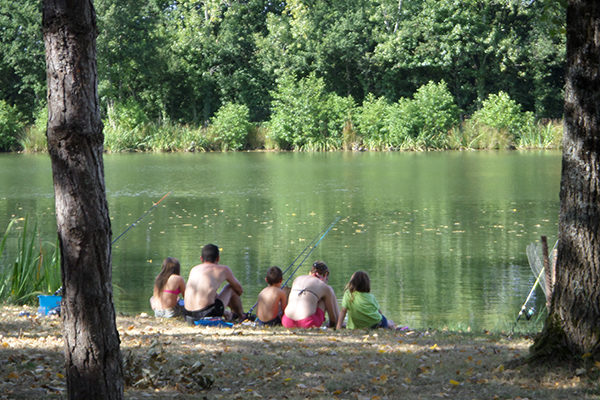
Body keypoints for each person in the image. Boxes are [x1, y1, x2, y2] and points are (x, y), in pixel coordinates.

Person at [183, 244, 245, 324]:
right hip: (205, 314)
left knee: (211, 293)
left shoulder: (194, 269)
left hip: (187, 314)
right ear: (218, 258)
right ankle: (241, 316)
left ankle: (230, 314)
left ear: (201, 259)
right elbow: (239, 290)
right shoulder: (223, 269)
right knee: (231, 288)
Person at [282, 261, 339, 329]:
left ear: (310, 273)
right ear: (325, 275)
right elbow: (332, 318)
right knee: (325, 297)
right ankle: (339, 322)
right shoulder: (324, 286)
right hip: (307, 323)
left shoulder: (297, 279)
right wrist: (334, 324)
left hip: (287, 321)